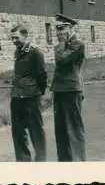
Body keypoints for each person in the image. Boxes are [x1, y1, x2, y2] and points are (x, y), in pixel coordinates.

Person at [9, 25, 48, 162]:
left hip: (31, 97)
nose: (14, 41)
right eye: (12, 38)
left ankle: (41, 160)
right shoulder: (17, 52)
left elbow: (42, 75)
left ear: (25, 36)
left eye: (17, 38)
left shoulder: (35, 52)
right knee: (18, 132)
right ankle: (23, 160)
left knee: (35, 130)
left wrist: (39, 91)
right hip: (17, 96)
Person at [51, 13, 86, 162]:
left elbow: (61, 59)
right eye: (57, 29)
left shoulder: (78, 44)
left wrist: (61, 43)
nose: (59, 32)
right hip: (59, 90)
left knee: (73, 129)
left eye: (62, 28)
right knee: (61, 130)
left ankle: (77, 163)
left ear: (71, 28)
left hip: (71, 90)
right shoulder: (64, 44)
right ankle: (64, 162)